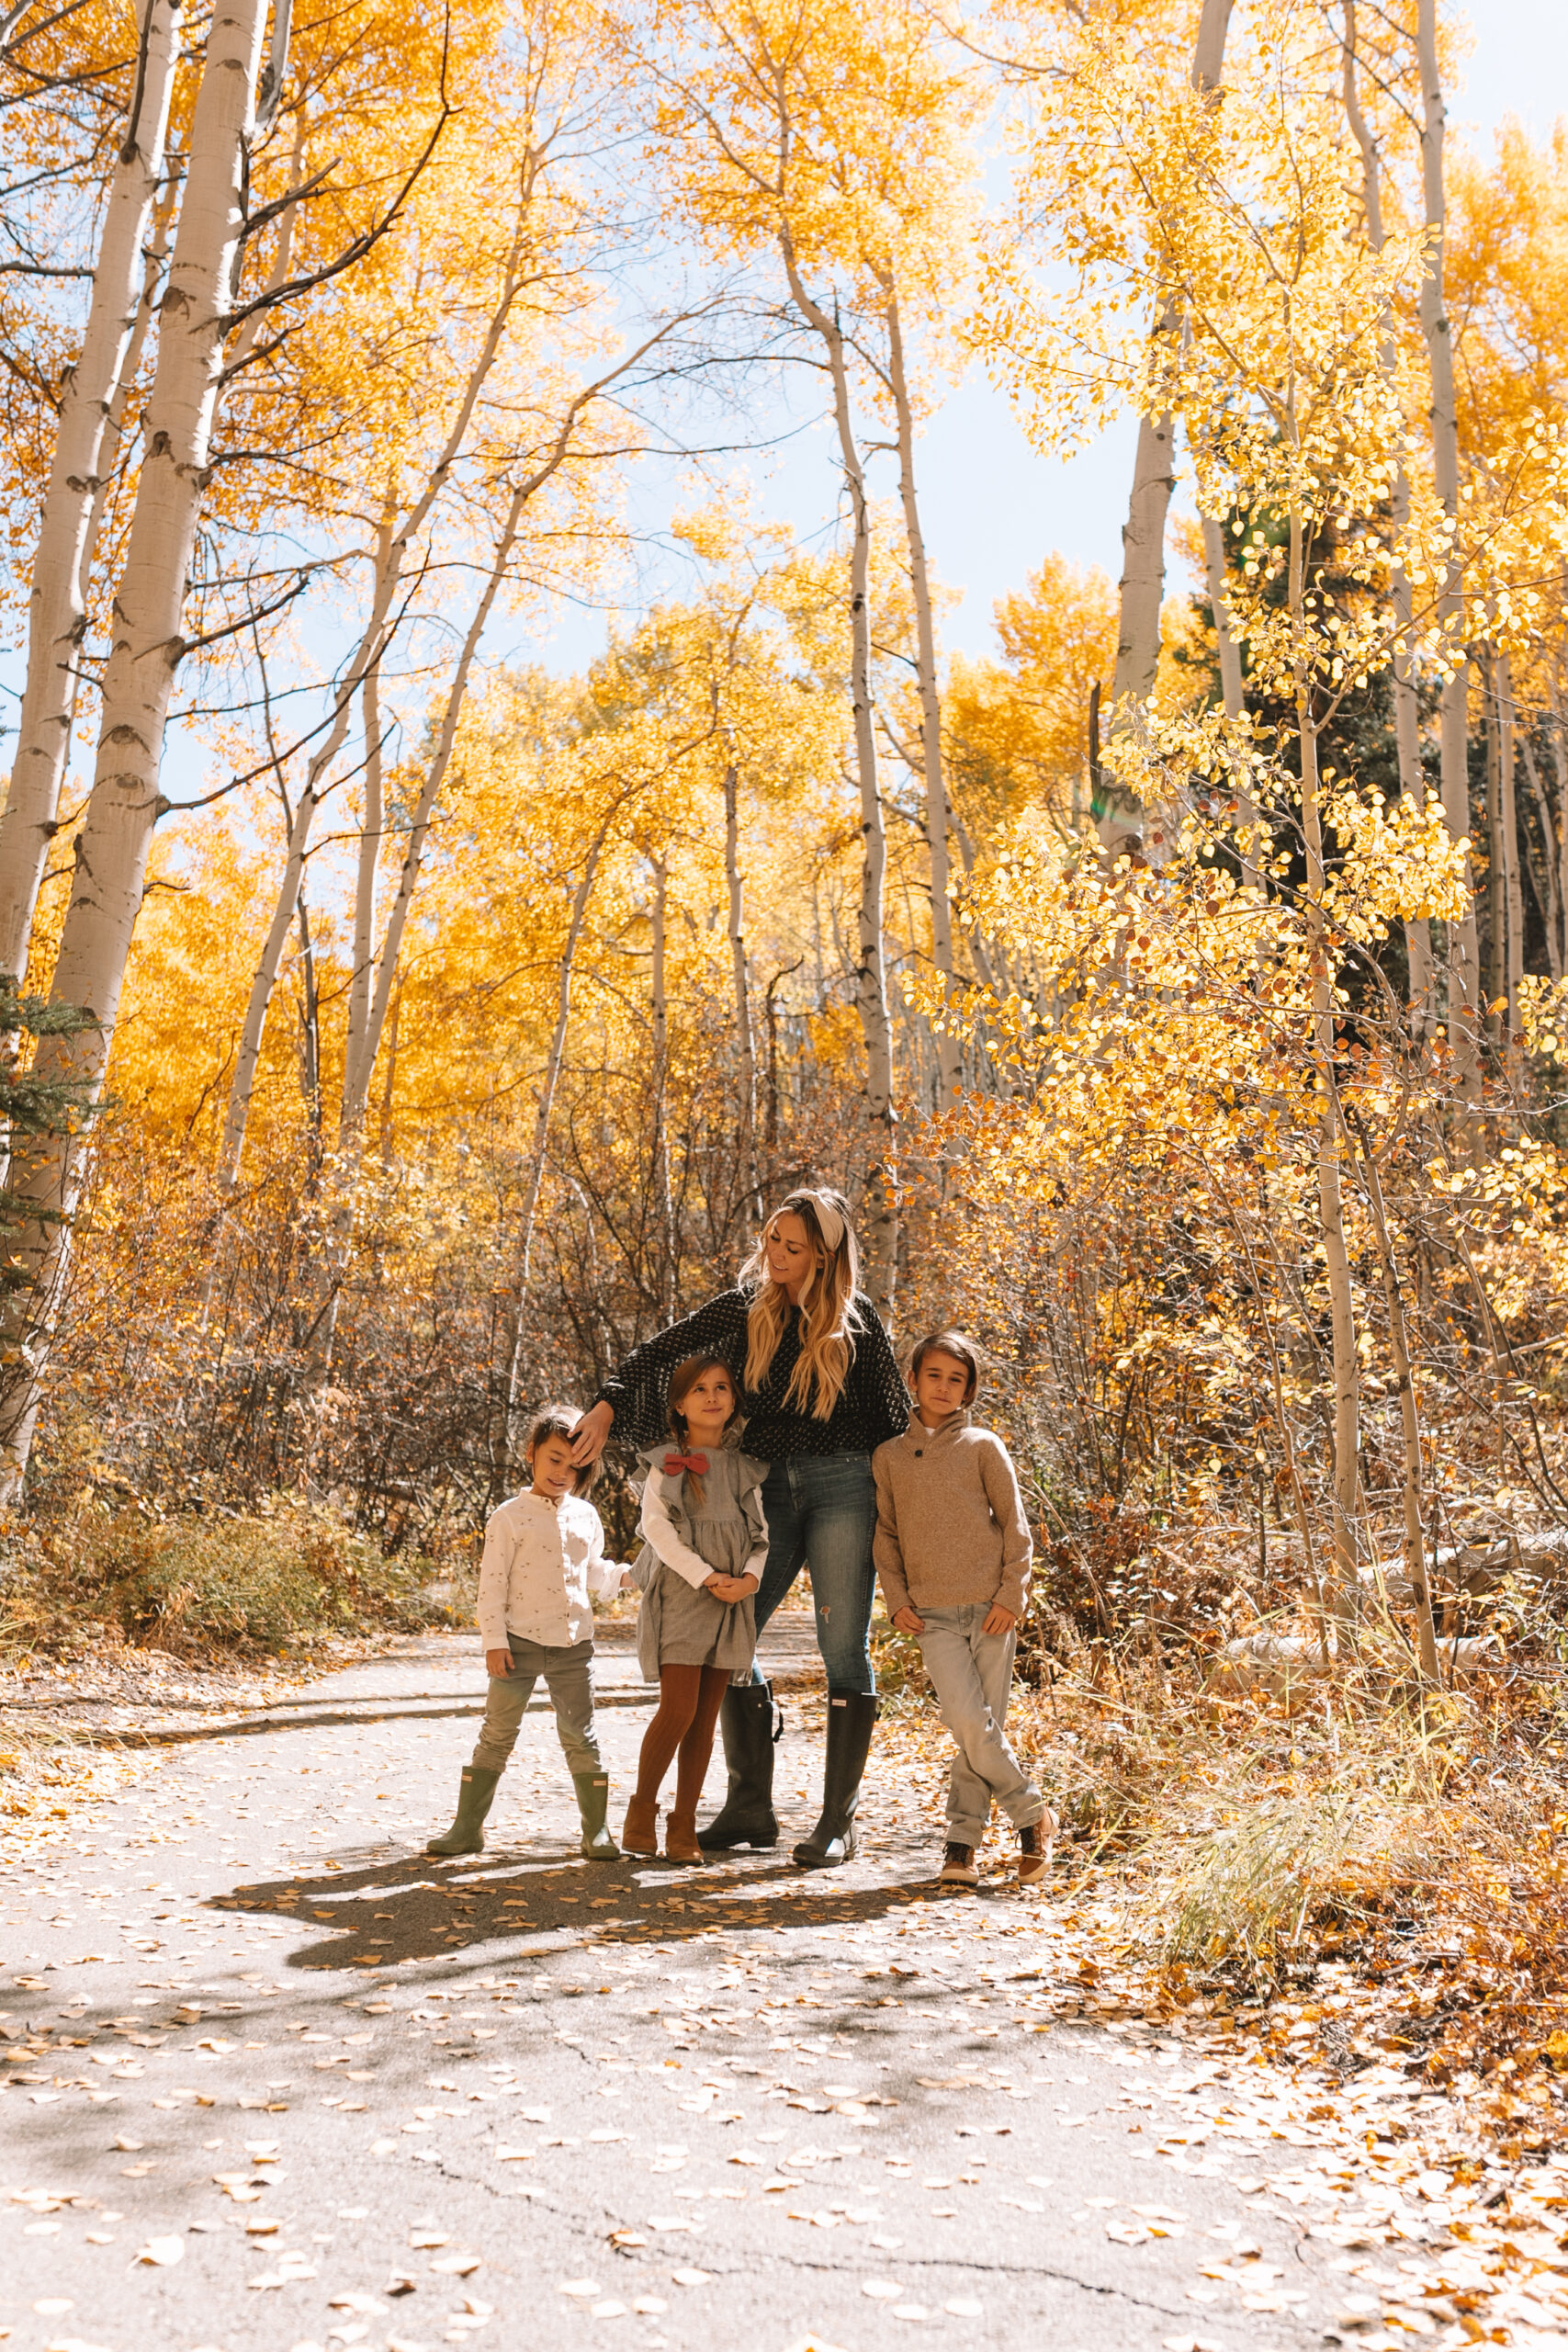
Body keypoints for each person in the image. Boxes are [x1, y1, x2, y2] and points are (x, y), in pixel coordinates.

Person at [570, 1186, 908, 1868]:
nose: (775, 1255)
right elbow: (661, 1349)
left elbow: (896, 1425)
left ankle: (836, 1824)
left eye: (792, 1246)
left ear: (824, 1254)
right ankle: (749, 1803)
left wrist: (909, 1521)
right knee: (730, 1635)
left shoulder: (858, 1324)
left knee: (841, 1647)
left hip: (844, 1487)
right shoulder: (745, 1306)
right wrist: (607, 1404)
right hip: (765, 1483)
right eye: (772, 1240)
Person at [873, 1329, 1054, 1889]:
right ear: (913, 1380)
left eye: (957, 1379)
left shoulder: (982, 1446)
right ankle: (1032, 1813)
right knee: (970, 1724)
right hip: (932, 1616)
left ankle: (960, 1847)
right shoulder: (889, 1457)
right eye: (934, 1375)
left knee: (980, 1731)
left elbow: (1016, 1527)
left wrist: (1011, 1594)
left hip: (989, 1610)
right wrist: (897, 1598)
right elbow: (886, 1535)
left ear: (969, 1390)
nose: (944, 1387)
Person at [427, 1403, 631, 1860]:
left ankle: (596, 1830)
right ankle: (466, 1829)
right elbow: (491, 1586)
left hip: (573, 1646)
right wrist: (494, 1642)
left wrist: (625, 1576)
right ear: (532, 1454)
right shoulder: (508, 1517)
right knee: (497, 1733)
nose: (562, 1472)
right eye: (554, 1459)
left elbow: (592, 1573)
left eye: (575, 1466)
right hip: (517, 1646)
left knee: (581, 1735)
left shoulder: (586, 1516)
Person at [623, 1355, 766, 1863]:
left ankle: (683, 1823)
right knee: (678, 1709)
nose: (712, 1397)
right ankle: (641, 1808)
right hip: (684, 1596)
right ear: (680, 1405)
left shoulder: (744, 1467)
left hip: (731, 1600)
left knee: (706, 1720)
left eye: (722, 1388)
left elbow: (760, 1537)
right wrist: (705, 1575)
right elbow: (657, 1532)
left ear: (733, 1400)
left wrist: (749, 1578)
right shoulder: (666, 1464)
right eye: (700, 1390)